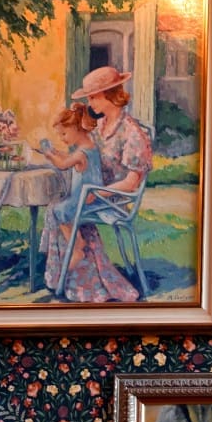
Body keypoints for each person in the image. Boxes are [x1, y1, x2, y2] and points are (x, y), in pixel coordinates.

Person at [40, 66, 155, 303]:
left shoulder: (132, 132)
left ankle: (77, 266)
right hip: (92, 193)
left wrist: (99, 192)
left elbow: (131, 182)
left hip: (112, 199)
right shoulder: (100, 126)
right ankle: (68, 274)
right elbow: (86, 157)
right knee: (55, 206)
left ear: (110, 95)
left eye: (93, 97)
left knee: (60, 210)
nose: (89, 102)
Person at [38, 104, 104, 228]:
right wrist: (58, 153)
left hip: (83, 201)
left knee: (57, 211)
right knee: (60, 209)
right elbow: (71, 158)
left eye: (63, 134)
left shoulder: (80, 154)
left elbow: (63, 165)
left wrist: (50, 156)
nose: (61, 139)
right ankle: (74, 238)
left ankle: (75, 240)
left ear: (76, 127)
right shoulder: (90, 147)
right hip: (95, 199)